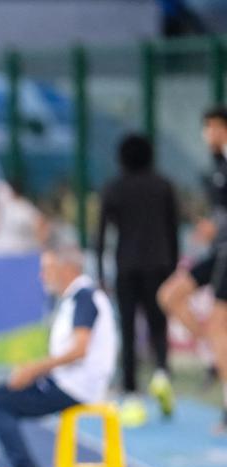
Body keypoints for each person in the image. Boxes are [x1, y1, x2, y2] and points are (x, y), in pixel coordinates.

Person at [0, 245, 117, 467]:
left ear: (67, 269)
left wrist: (35, 369)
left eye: (47, 268)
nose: (42, 275)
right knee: (1, 392)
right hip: (68, 382)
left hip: (75, 387)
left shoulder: (84, 297)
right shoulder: (76, 299)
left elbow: (80, 349)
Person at [97, 134, 179, 426]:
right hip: (159, 263)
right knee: (159, 324)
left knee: (129, 328)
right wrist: (173, 270)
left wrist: (98, 271)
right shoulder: (163, 185)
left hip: (127, 265)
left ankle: (131, 392)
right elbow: (172, 230)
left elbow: (102, 233)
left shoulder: (114, 187)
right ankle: (161, 373)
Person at [158, 107, 227, 432]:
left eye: (210, 127)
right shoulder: (215, 165)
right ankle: (213, 356)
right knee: (169, 296)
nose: (206, 134)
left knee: (218, 325)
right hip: (217, 252)